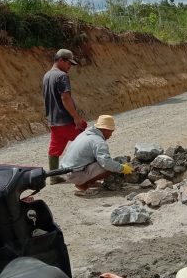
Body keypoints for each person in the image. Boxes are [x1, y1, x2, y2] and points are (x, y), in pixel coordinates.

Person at [43, 48, 87, 184]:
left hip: (54, 120)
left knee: (54, 150)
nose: (70, 67)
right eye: (69, 63)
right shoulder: (62, 76)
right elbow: (65, 97)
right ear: (61, 60)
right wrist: (76, 117)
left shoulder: (47, 76)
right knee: (87, 141)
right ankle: (86, 174)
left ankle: (54, 177)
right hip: (66, 120)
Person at [61, 115, 134, 196]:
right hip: (75, 175)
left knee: (103, 161)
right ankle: (82, 186)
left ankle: (88, 181)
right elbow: (106, 163)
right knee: (108, 166)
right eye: (111, 131)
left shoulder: (86, 134)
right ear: (104, 130)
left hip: (66, 171)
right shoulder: (98, 141)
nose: (111, 135)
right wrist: (122, 168)